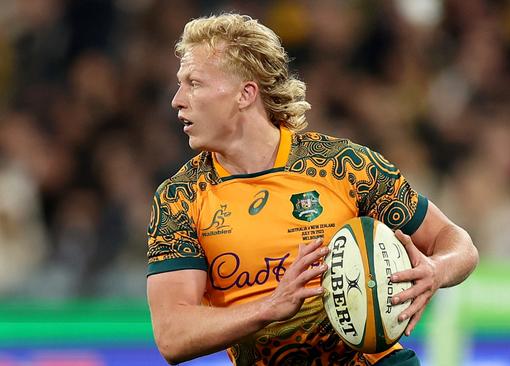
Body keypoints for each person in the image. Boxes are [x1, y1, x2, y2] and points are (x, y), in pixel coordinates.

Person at [146, 13, 478, 366]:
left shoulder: (343, 166)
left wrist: (435, 270)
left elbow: (458, 243)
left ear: (245, 94)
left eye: (194, 83)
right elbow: (172, 334)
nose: (177, 99)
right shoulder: (179, 199)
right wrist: (270, 307)